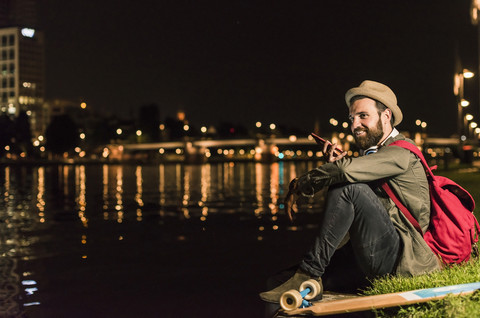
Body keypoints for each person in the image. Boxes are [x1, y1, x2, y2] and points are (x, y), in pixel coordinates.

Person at [259, 80, 441, 305]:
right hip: (367, 254)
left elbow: (347, 175)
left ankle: (309, 272)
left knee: (348, 186)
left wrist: (301, 185)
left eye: (363, 116)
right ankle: (305, 276)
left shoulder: (402, 153)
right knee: (276, 281)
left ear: (386, 116)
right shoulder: (376, 155)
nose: (355, 125)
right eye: (352, 118)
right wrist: (339, 164)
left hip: (401, 260)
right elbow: (357, 185)